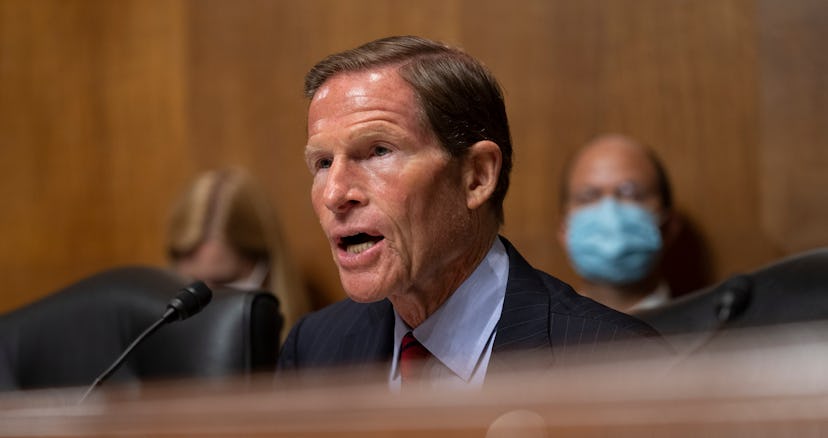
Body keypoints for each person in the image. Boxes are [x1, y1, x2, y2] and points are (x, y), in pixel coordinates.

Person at [278, 36, 664, 389]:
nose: (334, 194)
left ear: (477, 176)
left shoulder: (617, 362)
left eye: (379, 151)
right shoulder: (313, 349)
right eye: (324, 162)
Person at [166, 167, 310, 333]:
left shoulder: (311, 345)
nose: (203, 310)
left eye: (224, 286)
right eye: (191, 287)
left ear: (266, 268)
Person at [557, 134, 681, 313]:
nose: (610, 214)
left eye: (631, 194)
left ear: (669, 227)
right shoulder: (534, 338)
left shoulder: (718, 333)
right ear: (563, 230)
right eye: (588, 197)